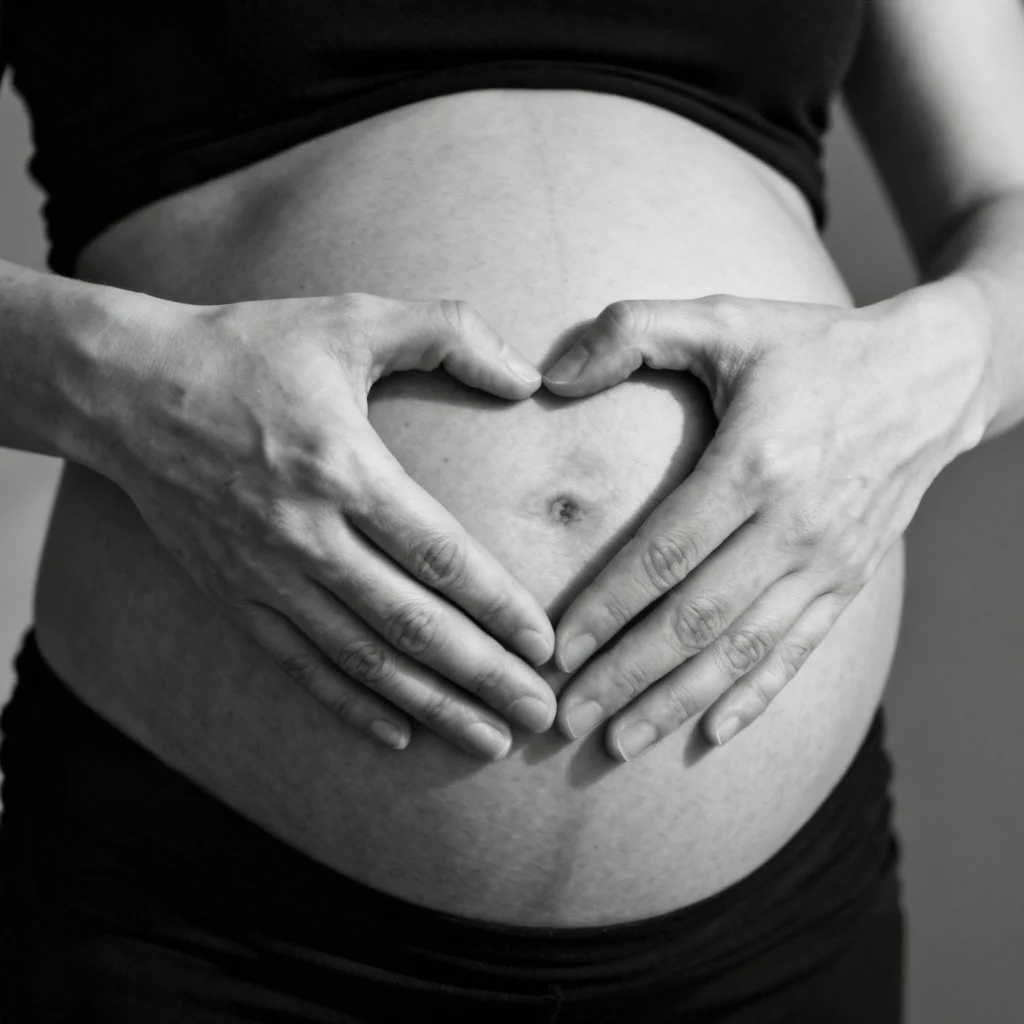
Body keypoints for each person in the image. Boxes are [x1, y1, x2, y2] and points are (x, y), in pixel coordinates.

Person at [1, 1, 1023, 1020]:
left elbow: (1005, 199)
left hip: (777, 939)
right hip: (203, 919)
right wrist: (122, 382)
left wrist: (946, 363)